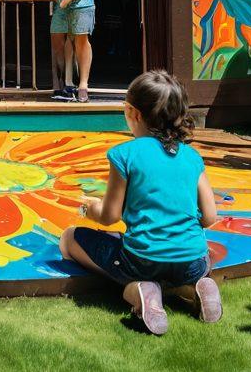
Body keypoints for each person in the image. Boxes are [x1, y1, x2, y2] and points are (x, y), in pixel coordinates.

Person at [59, 70, 221, 335]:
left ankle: (142, 290)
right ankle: (197, 286)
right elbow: (210, 216)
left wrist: (90, 209)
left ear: (133, 113)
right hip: (192, 260)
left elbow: (110, 216)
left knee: (69, 239)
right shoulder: (192, 157)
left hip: (141, 260)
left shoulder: (125, 154)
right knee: (183, 264)